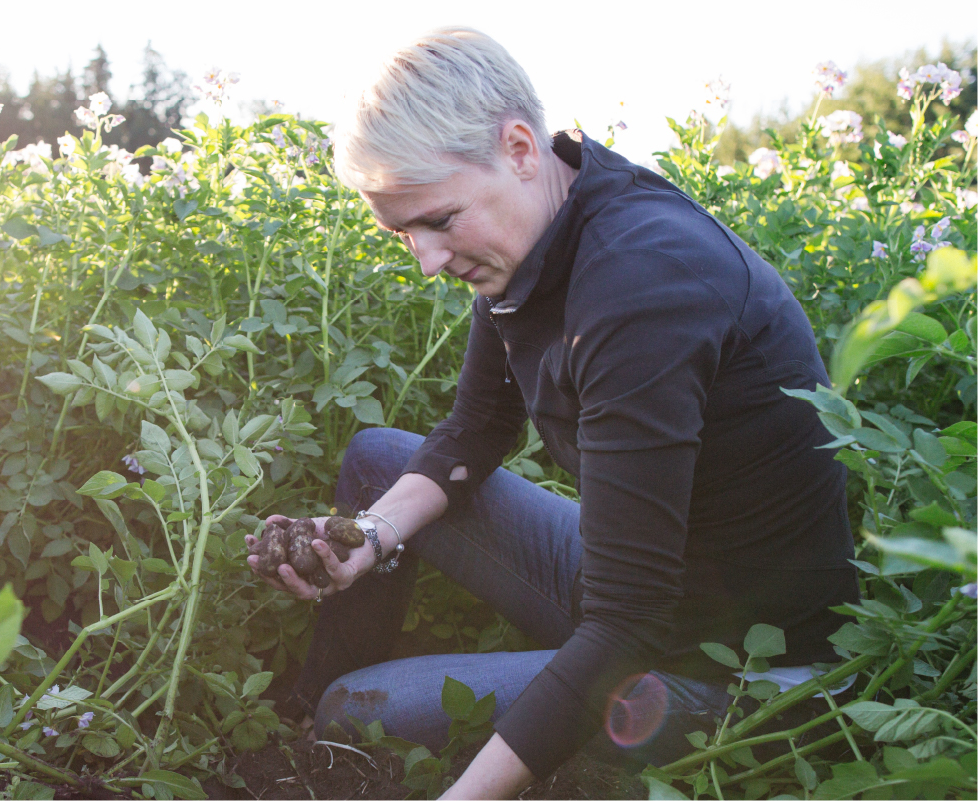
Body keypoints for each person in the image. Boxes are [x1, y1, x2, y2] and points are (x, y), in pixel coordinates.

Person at [245, 27, 859, 799]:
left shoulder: (640, 286)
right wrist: (367, 538)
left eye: (439, 219)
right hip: (632, 577)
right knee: (378, 460)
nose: (427, 260)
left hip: (735, 662)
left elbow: (627, 622)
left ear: (519, 147)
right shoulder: (536, 228)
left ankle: (335, 729)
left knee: (360, 708)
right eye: (402, 232)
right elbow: (476, 429)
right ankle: (304, 735)